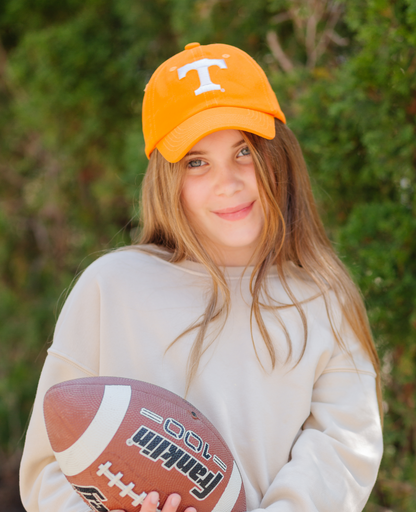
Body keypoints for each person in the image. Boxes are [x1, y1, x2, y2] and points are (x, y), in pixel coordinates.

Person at [19, 42, 383, 512]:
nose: (227, 181)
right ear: (166, 180)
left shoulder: (323, 299)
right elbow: (48, 468)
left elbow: (343, 451)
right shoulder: (111, 287)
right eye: (196, 161)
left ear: (280, 157)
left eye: (245, 151)